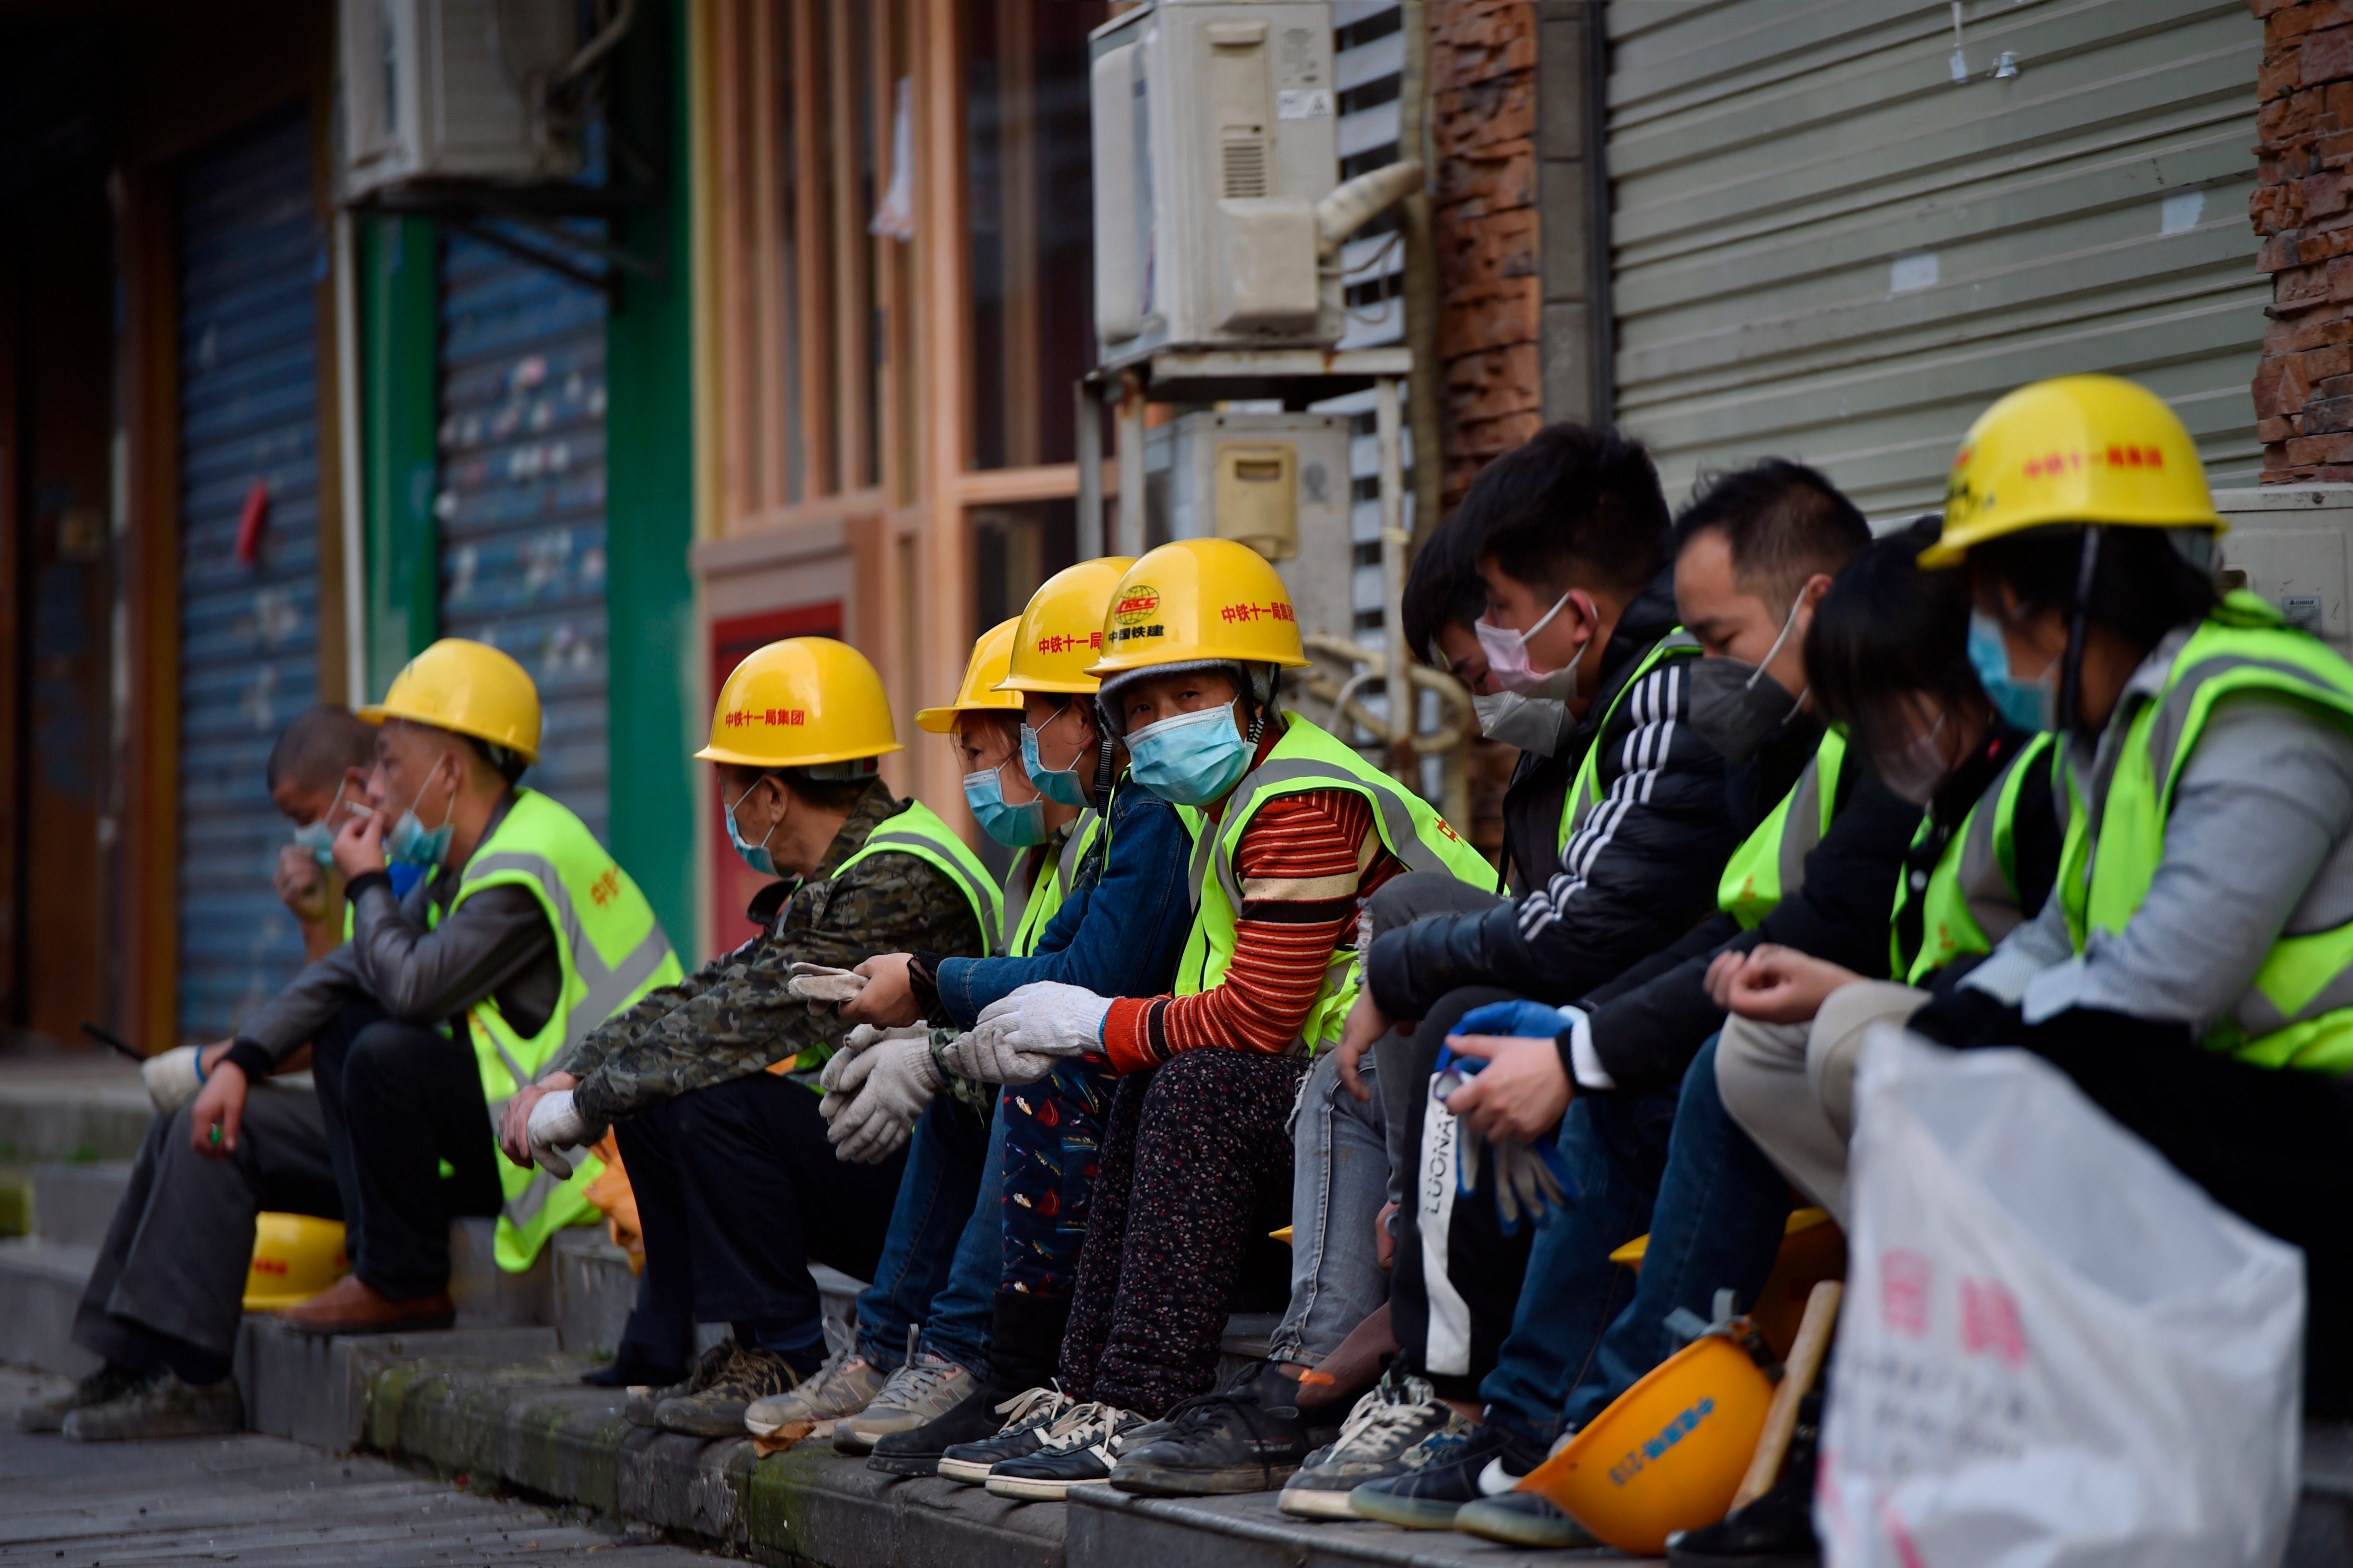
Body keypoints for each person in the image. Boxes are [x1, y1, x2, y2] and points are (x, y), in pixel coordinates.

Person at [1118, 424, 1744, 1507]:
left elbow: (1584, 934)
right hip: (1583, 1018)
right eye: (1131, 707)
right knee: (1352, 1040)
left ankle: (1447, 1395)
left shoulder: (1672, 696)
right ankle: (1170, 1383)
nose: (1490, 662)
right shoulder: (1566, 739)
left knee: (1426, 1017)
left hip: (1664, 1024)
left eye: (1495, 620)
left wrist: (1407, 982)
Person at [1344, 461, 1917, 1534]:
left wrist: (1576, 1051)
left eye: (1719, 637)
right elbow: (1736, 932)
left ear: (1818, 605)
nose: (1707, 668)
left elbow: (1635, 930)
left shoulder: (1745, 711)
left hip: (1927, 1055)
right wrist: (1575, 1043)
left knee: (1681, 1073)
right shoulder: (1821, 730)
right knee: (1566, 1045)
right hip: (1832, 1033)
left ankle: (1574, 1419)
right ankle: (1513, 1421)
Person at [927, 538, 1495, 1502]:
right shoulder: (1224, 799)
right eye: (1139, 708)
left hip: (1406, 1091)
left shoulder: (1297, 797)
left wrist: (1096, 1022)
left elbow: (1262, 1016)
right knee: (1155, 1080)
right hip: (1335, 1083)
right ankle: (1094, 1393)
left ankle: (1144, 1394)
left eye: (1186, 697)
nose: (1158, 726)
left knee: (1193, 1089)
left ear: (1249, 689)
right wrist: (1108, 1034)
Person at [22, 640, 682, 1440]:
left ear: (448, 771)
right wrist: (237, 1063)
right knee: (207, 1121)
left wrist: (367, 881)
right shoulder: (460, 867)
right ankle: (144, 1364)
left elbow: (409, 987)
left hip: (567, 1156)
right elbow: (342, 971)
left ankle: (395, 1277)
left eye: (391, 767)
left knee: (379, 1048)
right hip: (498, 1137)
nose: (378, 789)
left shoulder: (523, 865)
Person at [1888, 374, 2353, 1419]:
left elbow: (2163, 980)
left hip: (2327, 1128)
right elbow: (2061, 934)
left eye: (1991, 610)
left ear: (2074, 595)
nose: (1981, 646)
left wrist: (1980, 1044)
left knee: (2034, 1064)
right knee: (1955, 1038)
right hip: (2247, 1103)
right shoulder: (2110, 730)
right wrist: (1944, 1030)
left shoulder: (2255, 710)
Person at [504, 637, 998, 1437]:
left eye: (735, 785)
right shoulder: (841, 873)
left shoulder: (894, 878)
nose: (730, 807)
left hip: (938, 1189)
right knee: (662, 1104)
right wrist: (575, 1075)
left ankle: (788, 1348)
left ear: (771, 795)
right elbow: (712, 990)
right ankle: (746, 1347)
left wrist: (585, 1103)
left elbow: (736, 1025)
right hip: (885, 1157)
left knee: (709, 1099)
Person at [774, 561, 1195, 1472]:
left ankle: (966, 1360)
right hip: (1153, 1069)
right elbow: (1066, 974)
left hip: (1182, 1085)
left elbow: (1084, 982)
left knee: (1018, 1074)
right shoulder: (1099, 827)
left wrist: (929, 995)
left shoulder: (1146, 814)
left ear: (1085, 715)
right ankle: (891, 1349)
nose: (1018, 740)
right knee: (975, 1084)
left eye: (1031, 715)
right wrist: (935, 1026)